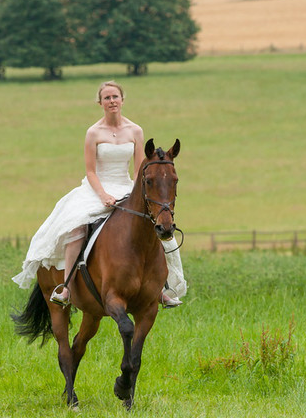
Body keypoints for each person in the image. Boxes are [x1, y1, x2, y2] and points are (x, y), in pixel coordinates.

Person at [12, 80, 186, 308]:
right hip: (97, 188)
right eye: (107, 98)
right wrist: (103, 196)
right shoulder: (93, 132)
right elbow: (91, 171)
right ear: (100, 103)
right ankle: (66, 287)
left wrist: (135, 194)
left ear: (122, 100)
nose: (112, 101)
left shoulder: (135, 130)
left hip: (127, 187)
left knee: (158, 227)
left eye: (115, 97)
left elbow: (138, 170)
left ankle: (162, 287)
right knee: (76, 228)